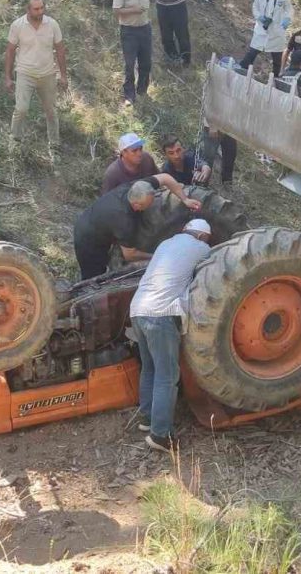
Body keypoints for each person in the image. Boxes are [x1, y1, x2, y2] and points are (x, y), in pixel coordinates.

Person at [130, 218, 213, 452]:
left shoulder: (165, 244)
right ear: (202, 236)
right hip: (161, 315)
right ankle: (161, 436)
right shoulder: (201, 248)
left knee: (150, 368)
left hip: (138, 309)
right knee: (167, 376)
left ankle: (147, 420)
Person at [73, 175, 202, 280]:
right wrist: (157, 255)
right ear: (136, 205)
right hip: (87, 237)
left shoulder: (139, 187)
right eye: (148, 205)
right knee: (94, 278)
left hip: (97, 217)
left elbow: (165, 178)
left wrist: (185, 199)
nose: (152, 205)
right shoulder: (124, 221)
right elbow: (130, 255)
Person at [5, 0, 67, 151]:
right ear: (28, 9)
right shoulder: (18, 25)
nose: (40, 11)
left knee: (51, 111)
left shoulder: (52, 24)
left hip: (47, 74)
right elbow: (10, 51)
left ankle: (54, 145)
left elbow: (60, 49)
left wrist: (63, 75)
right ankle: (15, 142)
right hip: (25, 73)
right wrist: (8, 77)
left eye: (42, 8)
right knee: (21, 109)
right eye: (36, 9)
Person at [113, 0, 153, 106]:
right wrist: (133, 10)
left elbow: (146, 8)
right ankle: (129, 95)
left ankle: (142, 90)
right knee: (130, 64)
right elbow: (116, 11)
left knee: (146, 63)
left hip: (145, 29)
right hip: (129, 31)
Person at [239, 0, 293, 79]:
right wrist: (259, 17)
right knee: (254, 50)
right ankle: (243, 68)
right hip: (262, 28)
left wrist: (287, 19)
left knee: (277, 55)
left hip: (277, 30)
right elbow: (255, 7)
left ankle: (276, 77)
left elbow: (289, 10)